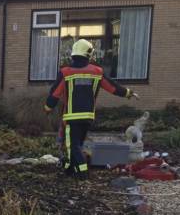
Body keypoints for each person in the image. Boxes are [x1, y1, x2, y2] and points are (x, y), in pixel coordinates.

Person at [45, 38, 137, 179]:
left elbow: (55, 93)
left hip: (71, 117)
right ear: (89, 54)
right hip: (88, 117)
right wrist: (128, 93)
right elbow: (112, 87)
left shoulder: (66, 72)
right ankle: (70, 170)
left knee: (73, 146)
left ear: (74, 53)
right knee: (78, 145)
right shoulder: (97, 72)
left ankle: (82, 172)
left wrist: (47, 107)